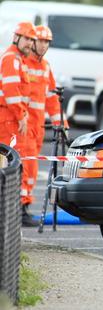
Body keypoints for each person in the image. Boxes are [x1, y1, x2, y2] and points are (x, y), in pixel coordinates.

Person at [22, 25, 67, 226]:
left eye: (47, 42)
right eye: (40, 41)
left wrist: (60, 123)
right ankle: (20, 207)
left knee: (31, 168)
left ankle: (23, 206)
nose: (43, 45)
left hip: (38, 126)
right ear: (33, 41)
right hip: (21, 125)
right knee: (26, 166)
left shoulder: (45, 66)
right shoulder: (22, 63)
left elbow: (51, 98)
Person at [0, 22, 35, 225]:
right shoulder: (11, 59)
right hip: (9, 119)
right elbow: (12, 91)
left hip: (12, 118)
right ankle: (11, 214)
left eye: (31, 39)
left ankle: (14, 212)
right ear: (17, 38)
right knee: (9, 163)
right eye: (27, 38)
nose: (30, 43)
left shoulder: (18, 59)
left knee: (14, 163)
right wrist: (21, 115)